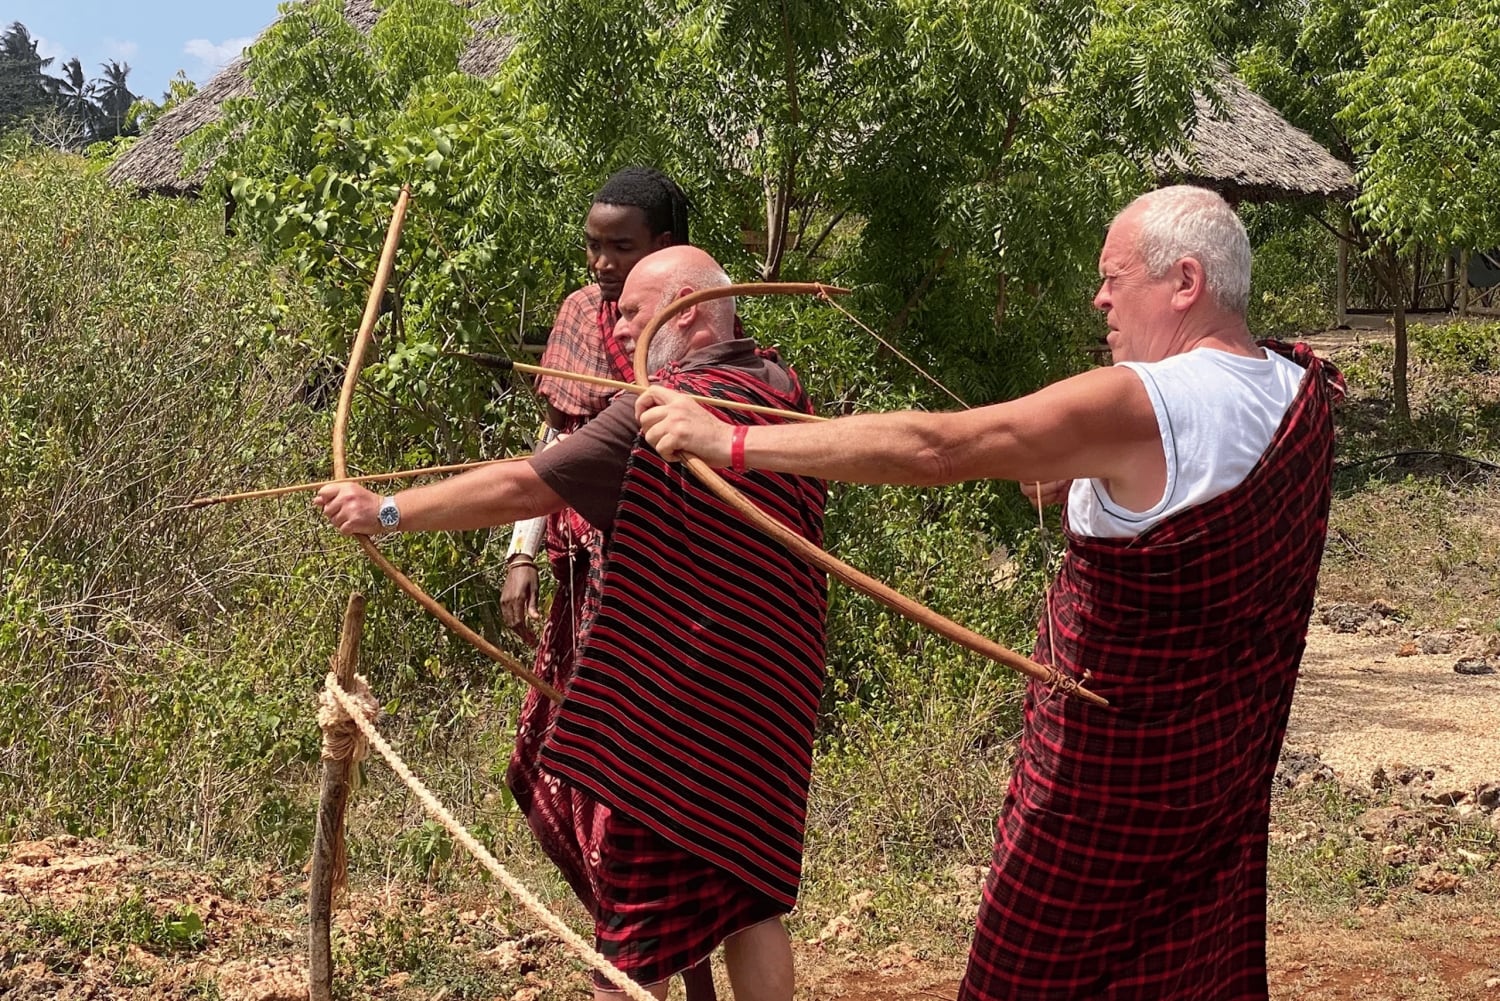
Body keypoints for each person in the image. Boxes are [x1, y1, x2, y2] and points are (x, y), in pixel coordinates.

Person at [636, 186, 1343, 1001]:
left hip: (1099, 800)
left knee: (1027, 978)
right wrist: (1091, 476)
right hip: (1209, 787)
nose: (1100, 298)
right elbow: (1187, 488)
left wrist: (725, 439)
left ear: (1185, 281)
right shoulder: (1296, 389)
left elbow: (936, 446)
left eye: (1114, 278)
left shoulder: (1142, 398)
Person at [317, 246, 828, 1001]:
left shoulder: (665, 407)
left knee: (636, 931)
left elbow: (523, 484)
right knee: (752, 899)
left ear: (683, 314)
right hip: (769, 698)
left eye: (630, 313)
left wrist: (384, 510)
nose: (617, 330)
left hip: (675, 718)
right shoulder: (779, 387)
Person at [498, 167, 719, 999]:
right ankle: (631, 959)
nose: (600, 264)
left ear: (666, 248)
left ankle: (659, 971)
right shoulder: (579, 316)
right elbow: (552, 449)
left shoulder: (699, 317)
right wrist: (523, 552)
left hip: (673, 586)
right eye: (593, 245)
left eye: (621, 247)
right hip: (588, 578)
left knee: (664, 794)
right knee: (594, 775)